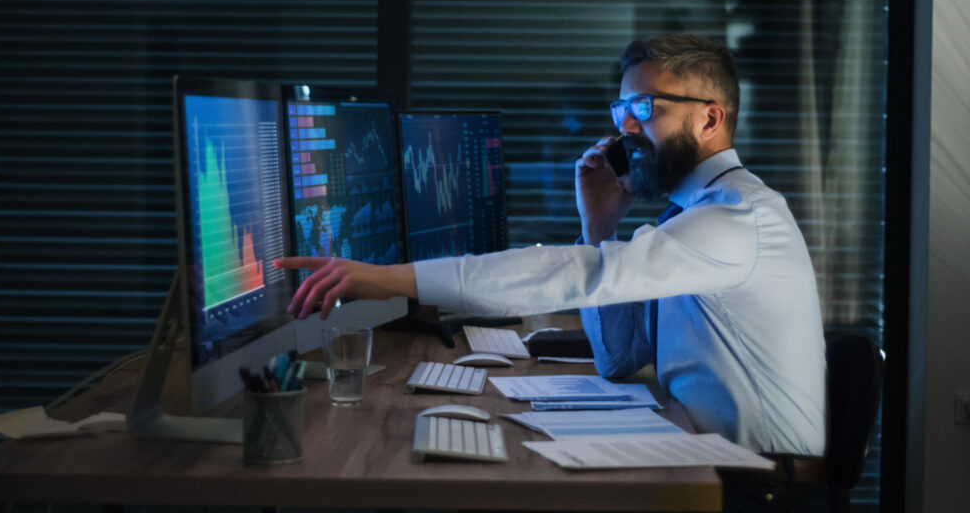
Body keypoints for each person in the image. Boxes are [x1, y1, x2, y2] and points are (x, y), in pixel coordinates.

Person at [275, 35, 825, 459]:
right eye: (621, 109)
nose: (627, 127)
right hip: (706, 454)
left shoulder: (736, 220)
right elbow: (618, 360)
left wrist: (388, 277)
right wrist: (600, 231)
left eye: (646, 108)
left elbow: (576, 274)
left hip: (757, 484)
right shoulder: (688, 218)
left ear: (710, 117)